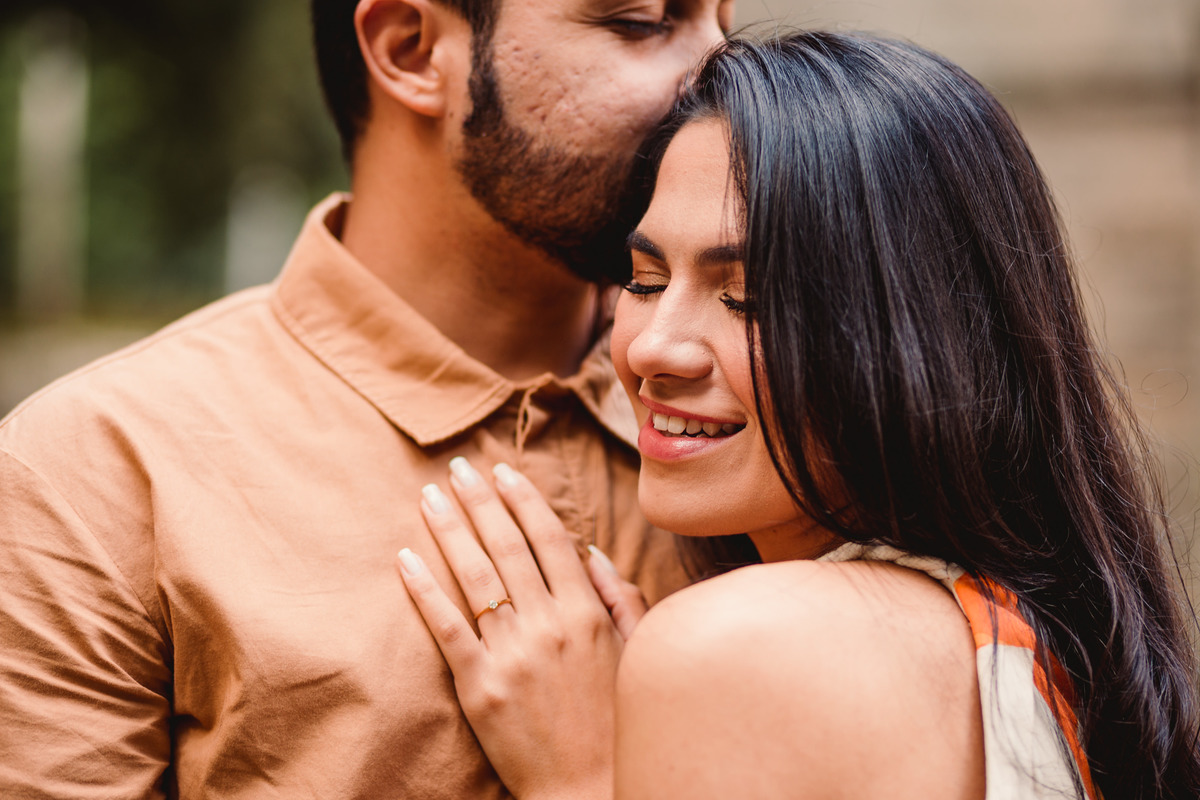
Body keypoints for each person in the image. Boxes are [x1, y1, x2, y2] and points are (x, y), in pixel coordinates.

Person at [397, 32, 1200, 800]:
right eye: (643, 279)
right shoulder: (1044, 651)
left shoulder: (744, 646)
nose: (653, 349)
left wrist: (579, 779)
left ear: (922, 335)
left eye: (747, 295)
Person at [0, 1, 735, 797]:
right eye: (640, 22)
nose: (723, 69)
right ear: (411, 50)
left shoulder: (797, 424)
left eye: (726, 16)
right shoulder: (90, 474)